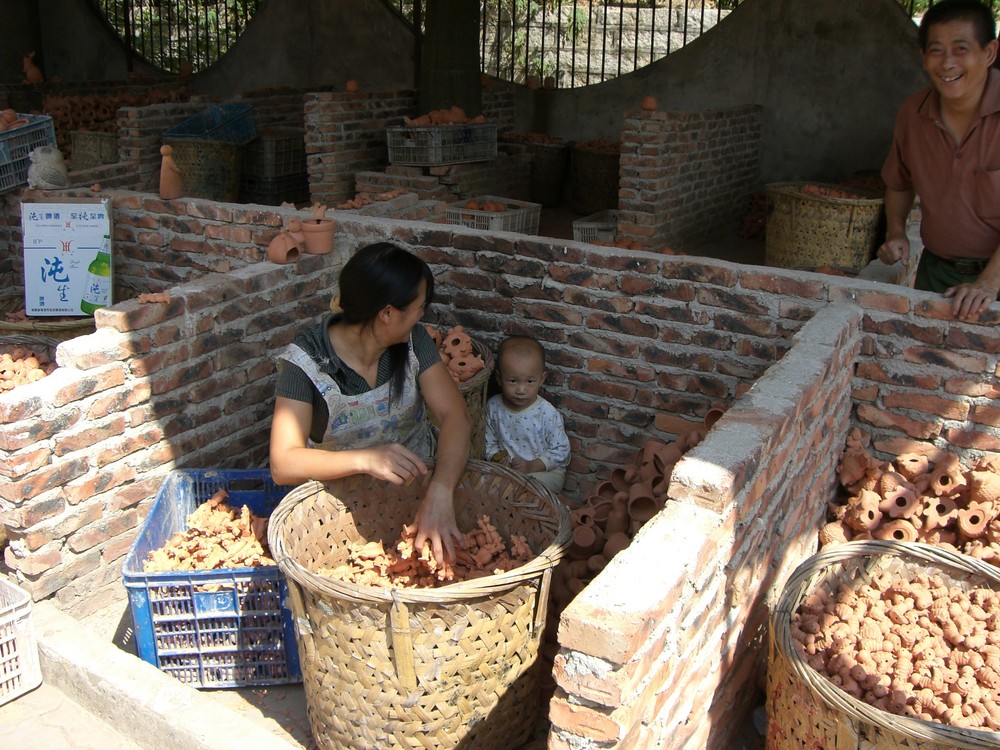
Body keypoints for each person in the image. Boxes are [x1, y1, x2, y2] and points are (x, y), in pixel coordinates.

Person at [269, 242, 472, 564]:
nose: (422, 314)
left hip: (418, 488)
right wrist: (366, 459)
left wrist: (440, 490)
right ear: (388, 313)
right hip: (341, 508)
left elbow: (455, 416)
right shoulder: (306, 363)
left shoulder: (414, 342)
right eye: (419, 306)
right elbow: (283, 463)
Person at [877, 0, 1000, 320]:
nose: (947, 63)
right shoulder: (913, 114)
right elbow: (899, 182)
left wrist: (988, 283)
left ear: (989, 52)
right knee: (922, 364)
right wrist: (895, 232)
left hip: (994, 278)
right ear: (923, 57)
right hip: (937, 273)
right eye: (936, 50)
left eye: (961, 49)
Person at [485, 336, 570, 494]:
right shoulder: (493, 407)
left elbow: (562, 450)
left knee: (525, 489)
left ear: (541, 379)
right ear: (498, 378)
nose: (521, 390)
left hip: (544, 473)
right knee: (485, 484)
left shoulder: (547, 413)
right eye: (513, 381)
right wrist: (495, 457)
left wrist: (532, 466)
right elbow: (487, 442)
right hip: (506, 472)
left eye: (530, 381)